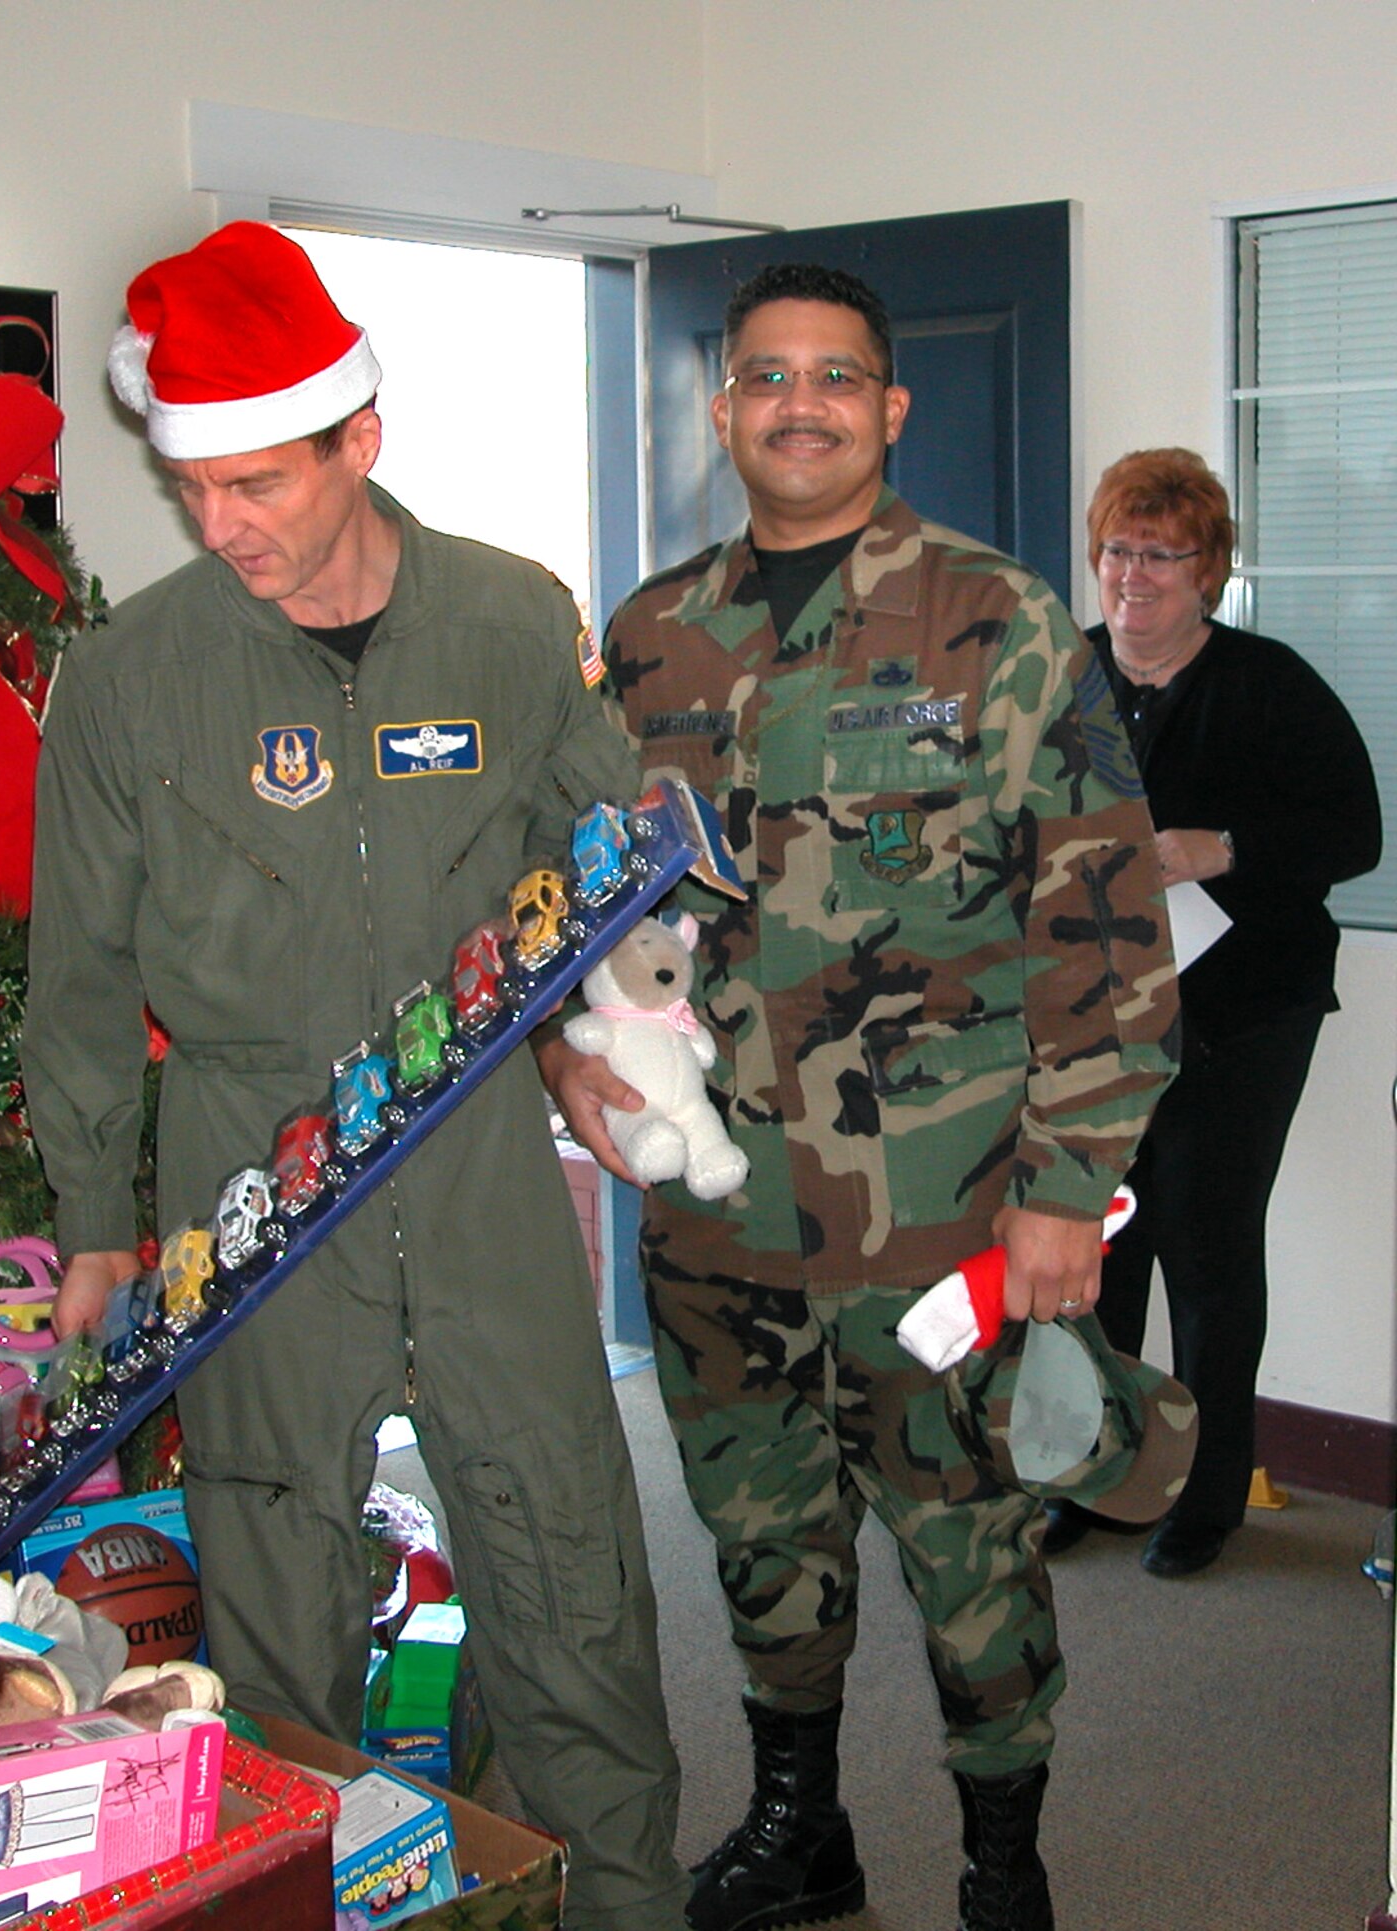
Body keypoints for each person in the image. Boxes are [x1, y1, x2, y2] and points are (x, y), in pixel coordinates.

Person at [22, 221, 688, 1931]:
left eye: (257, 483)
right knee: (276, 1600)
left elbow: (602, 873)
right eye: (196, 491)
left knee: (570, 1572)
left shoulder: (512, 622)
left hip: (473, 1171)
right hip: (243, 1185)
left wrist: (608, 1053)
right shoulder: (129, 677)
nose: (220, 523)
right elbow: (80, 977)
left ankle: (610, 1900)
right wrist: (99, 1217)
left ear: (356, 440)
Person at [539, 263, 1180, 1931]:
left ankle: (1001, 1859)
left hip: (945, 1218)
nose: (798, 402)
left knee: (974, 1560)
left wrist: (1067, 1185)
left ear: (890, 409)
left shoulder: (1005, 618)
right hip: (719, 1218)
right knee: (763, 1546)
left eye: (835, 377)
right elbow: (591, 912)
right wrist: (567, 1055)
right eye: (765, 376)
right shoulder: (650, 635)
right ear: (724, 406)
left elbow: (1103, 914)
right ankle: (799, 1825)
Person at [1043, 449, 1381, 1578]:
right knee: (1098, 1245)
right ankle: (1103, 1473)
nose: (1131, 574)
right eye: (1114, 549)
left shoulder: (1267, 683)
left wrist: (1216, 847)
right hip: (1089, 1012)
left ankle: (1208, 1488)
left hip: (1239, 1011)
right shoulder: (1060, 675)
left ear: (1209, 571)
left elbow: (1352, 837)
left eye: (1160, 553)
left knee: (1203, 1239)